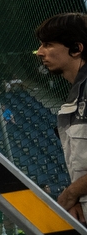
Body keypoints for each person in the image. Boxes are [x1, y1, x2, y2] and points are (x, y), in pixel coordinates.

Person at [34, 12, 87, 223]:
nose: (39, 52)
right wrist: (76, 196)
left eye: (47, 44)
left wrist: (71, 193)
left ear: (76, 49)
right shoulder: (74, 98)